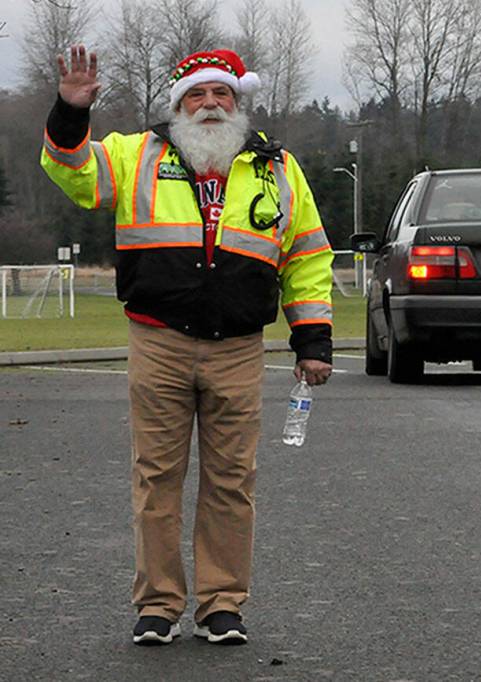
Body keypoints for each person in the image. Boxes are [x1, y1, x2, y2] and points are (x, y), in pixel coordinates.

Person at [41, 46, 334, 646]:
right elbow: (74, 172)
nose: (209, 104)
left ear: (238, 102)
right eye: (196, 95)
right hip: (159, 341)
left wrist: (313, 339)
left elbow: (306, 255)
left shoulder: (278, 168)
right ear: (177, 106)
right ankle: (157, 606)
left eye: (221, 93)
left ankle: (222, 605)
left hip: (239, 348)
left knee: (232, 481)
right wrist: (71, 111)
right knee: (157, 478)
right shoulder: (136, 154)